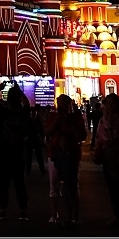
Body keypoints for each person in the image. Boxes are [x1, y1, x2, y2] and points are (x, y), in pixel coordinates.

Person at [0, 84, 31, 220]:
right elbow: (27, 104)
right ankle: (22, 210)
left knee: (4, 184)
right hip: (18, 153)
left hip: (4, 153)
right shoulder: (21, 113)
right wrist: (20, 90)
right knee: (19, 183)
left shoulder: (3, 112)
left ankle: (2, 210)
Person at [95, 93, 119, 229]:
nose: (110, 106)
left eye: (113, 103)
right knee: (112, 189)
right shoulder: (103, 120)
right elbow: (99, 137)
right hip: (108, 157)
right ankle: (118, 215)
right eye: (108, 104)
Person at [47, 94, 87, 226]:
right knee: (56, 184)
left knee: (71, 185)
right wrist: (57, 121)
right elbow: (47, 132)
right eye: (60, 104)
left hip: (71, 154)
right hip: (56, 153)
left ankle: (73, 216)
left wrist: (68, 126)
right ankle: (56, 214)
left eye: (64, 104)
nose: (62, 107)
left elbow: (82, 135)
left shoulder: (75, 117)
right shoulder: (54, 116)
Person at [26, 105, 48, 175]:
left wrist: (42, 138)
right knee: (30, 156)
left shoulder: (36, 121)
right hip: (31, 140)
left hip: (35, 139)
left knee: (38, 156)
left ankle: (41, 170)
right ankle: (29, 170)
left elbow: (41, 131)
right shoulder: (31, 121)